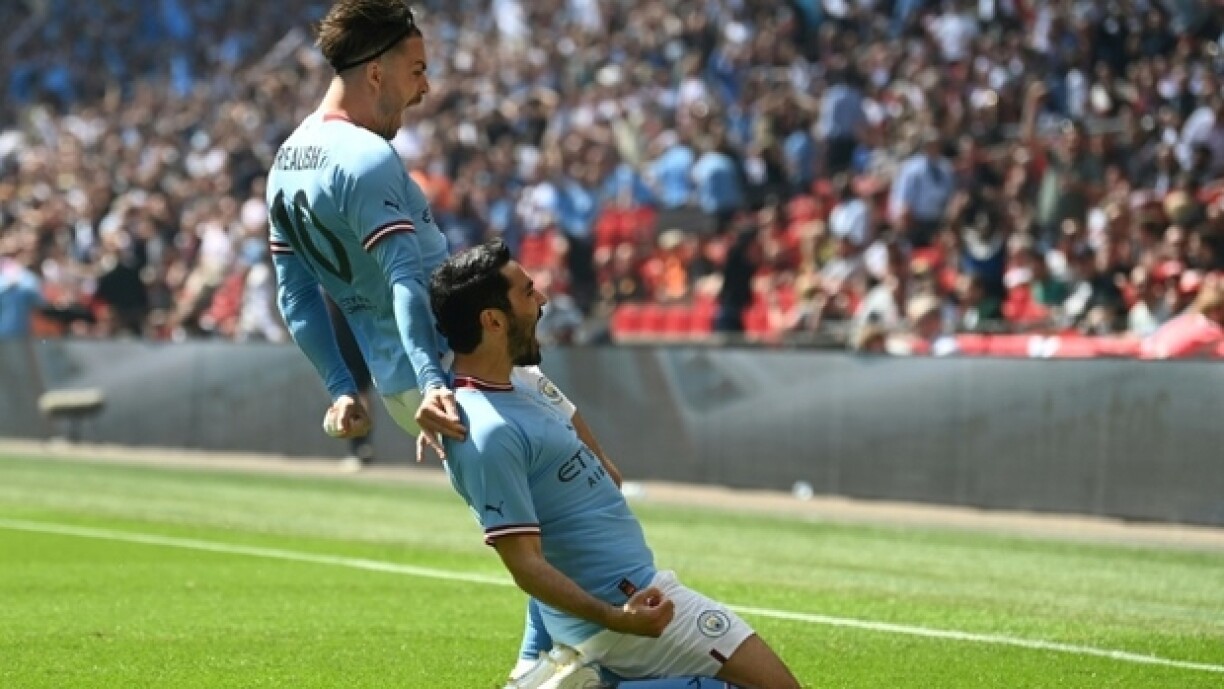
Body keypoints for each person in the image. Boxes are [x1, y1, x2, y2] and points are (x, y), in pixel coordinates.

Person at [267, 2, 623, 679]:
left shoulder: (286, 162)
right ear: (376, 73)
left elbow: (296, 295)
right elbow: (406, 280)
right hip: (454, 371)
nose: (424, 87)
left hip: (409, 380)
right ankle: (601, 656)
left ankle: (542, 660)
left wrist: (344, 388)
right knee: (596, 490)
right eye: (417, 69)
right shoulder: (366, 159)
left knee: (556, 508)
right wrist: (438, 379)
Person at [430, 239, 801, 689]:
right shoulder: (487, 432)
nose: (543, 300)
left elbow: (599, 463)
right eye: (528, 293)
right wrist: (617, 619)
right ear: (492, 320)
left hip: (618, 598)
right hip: (620, 607)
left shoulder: (523, 382)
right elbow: (525, 563)